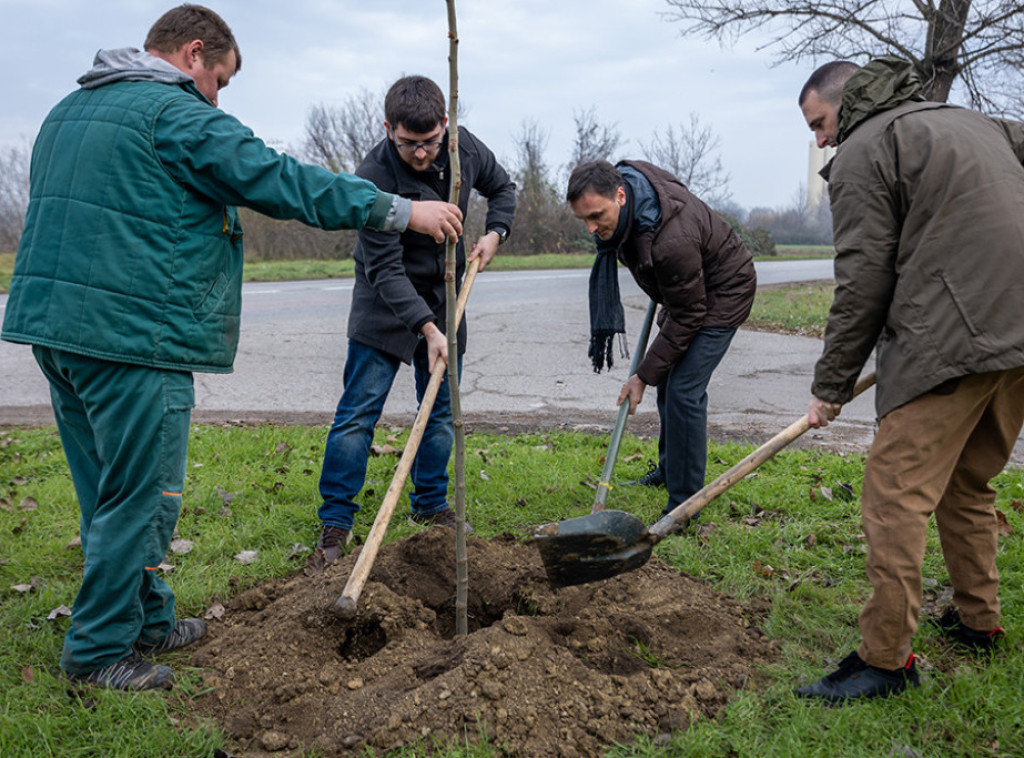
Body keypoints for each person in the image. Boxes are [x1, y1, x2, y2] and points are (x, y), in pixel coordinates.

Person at [0, 5, 463, 692]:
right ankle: (97, 652)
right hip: (133, 337)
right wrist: (401, 210)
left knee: (107, 490)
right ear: (193, 53)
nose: (216, 97)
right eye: (220, 79)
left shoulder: (71, 111)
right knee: (141, 495)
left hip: (56, 329)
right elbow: (277, 179)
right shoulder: (174, 113)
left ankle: (149, 618)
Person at [793, 56, 1024, 704]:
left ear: (847, 102)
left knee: (894, 498)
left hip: (952, 342)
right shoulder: (972, 121)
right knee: (968, 481)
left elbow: (862, 279)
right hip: (1018, 333)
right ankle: (979, 621)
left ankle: (885, 661)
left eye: (819, 123)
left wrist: (830, 385)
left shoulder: (868, 147)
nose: (819, 142)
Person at [309, 75, 516, 571]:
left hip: (447, 294)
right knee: (359, 413)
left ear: (446, 125)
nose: (421, 155)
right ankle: (335, 523)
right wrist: (426, 329)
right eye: (408, 144)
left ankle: (430, 505)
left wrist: (495, 233)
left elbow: (503, 188)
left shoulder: (463, 148)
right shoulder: (373, 177)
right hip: (385, 301)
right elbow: (383, 269)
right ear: (388, 130)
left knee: (441, 412)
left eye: (430, 143)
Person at [566, 160, 756, 521]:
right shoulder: (630, 193)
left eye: (596, 216)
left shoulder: (670, 242)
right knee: (668, 383)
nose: (591, 229)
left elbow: (689, 314)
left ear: (621, 196)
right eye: (583, 220)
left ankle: (685, 504)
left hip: (725, 291)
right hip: (687, 289)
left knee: (684, 389)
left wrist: (641, 375)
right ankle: (670, 472)